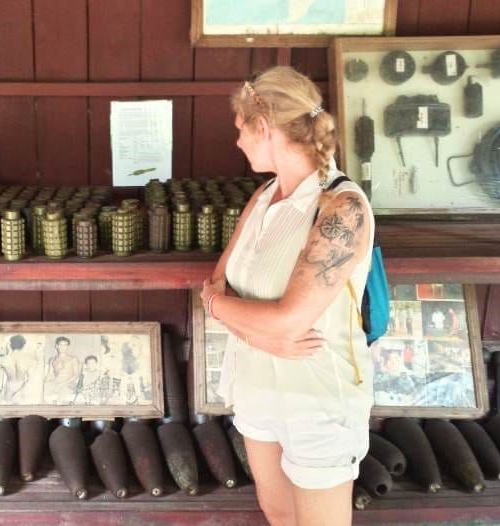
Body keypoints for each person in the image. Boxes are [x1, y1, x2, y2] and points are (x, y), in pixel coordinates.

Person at [199, 66, 374, 526]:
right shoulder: (264, 197)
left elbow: (288, 322)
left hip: (316, 397)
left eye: (241, 130)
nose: (238, 142)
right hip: (257, 387)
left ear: (263, 128)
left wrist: (227, 311)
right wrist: (262, 335)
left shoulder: (342, 207)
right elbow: (215, 287)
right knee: (277, 515)